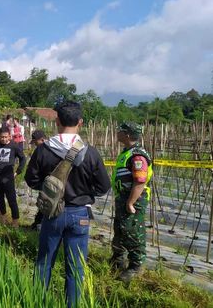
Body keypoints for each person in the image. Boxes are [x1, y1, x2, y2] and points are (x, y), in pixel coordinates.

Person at [24, 101, 110, 307]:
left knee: (44, 262)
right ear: (80, 122)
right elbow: (104, 186)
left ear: (57, 121)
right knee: (75, 267)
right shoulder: (90, 152)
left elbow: (31, 180)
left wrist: (50, 190)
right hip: (80, 214)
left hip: (52, 213)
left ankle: (38, 301)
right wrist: (85, 192)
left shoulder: (44, 150)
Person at [111, 122, 153, 282]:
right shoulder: (127, 152)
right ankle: (117, 261)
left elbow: (140, 181)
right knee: (120, 231)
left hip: (133, 201)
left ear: (127, 134)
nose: (117, 133)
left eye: (120, 131)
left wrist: (130, 202)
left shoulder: (137, 156)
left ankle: (136, 267)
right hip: (123, 198)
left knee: (133, 233)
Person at [0, 126, 26, 227]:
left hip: (8, 177)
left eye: (6, 137)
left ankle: (15, 222)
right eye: (1, 137)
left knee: (11, 199)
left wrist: (17, 172)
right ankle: (2, 220)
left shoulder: (14, 146)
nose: (3, 139)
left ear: (9, 136)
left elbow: (23, 159)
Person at [28, 130, 47, 229]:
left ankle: (38, 224)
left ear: (42, 140)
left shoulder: (41, 150)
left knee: (44, 204)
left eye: (36, 142)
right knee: (42, 205)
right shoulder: (55, 148)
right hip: (50, 183)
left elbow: (32, 171)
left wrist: (36, 183)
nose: (35, 144)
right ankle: (37, 223)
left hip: (47, 183)